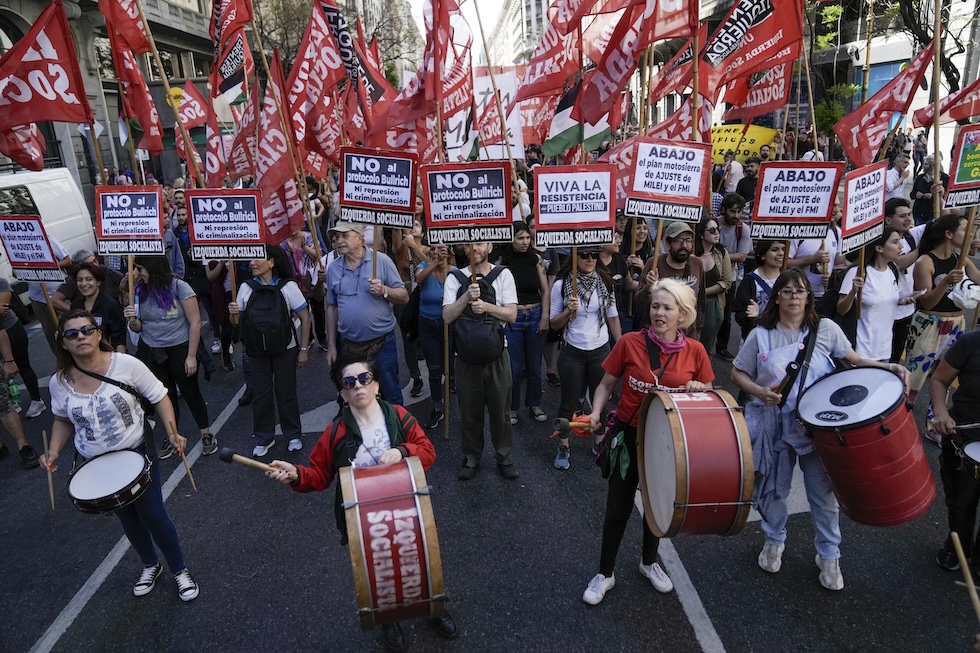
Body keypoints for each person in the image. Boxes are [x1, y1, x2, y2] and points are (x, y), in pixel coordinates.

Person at [731, 269, 909, 591]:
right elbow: (738, 372)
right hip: (774, 426)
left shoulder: (825, 329)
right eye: (787, 292)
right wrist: (758, 393)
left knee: (823, 498)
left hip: (818, 431)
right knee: (775, 492)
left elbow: (853, 360)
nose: (794, 297)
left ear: (808, 297)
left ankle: (828, 555)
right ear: (777, 298)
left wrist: (889, 366)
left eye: (800, 291)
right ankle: (774, 541)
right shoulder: (760, 334)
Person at [264, 357, 456, 651]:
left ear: (376, 385)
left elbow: (428, 451)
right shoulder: (335, 433)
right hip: (363, 521)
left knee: (420, 561)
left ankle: (434, 608)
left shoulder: (399, 417)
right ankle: (388, 618)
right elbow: (318, 475)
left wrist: (403, 450)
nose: (358, 386)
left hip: (407, 510)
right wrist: (295, 475)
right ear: (342, 394)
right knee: (376, 571)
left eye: (364, 378)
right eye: (349, 382)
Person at [41, 310, 200, 601]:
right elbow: (62, 419)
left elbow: (159, 396)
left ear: (99, 334)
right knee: (128, 519)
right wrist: (52, 451)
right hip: (97, 463)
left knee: (153, 514)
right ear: (63, 343)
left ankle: (180, 570)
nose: (81, 337)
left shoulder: (126, 365)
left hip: (137, 453)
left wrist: (172, 431)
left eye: (87, 329)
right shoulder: (59, 382)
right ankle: (151, 565)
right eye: (72, 334)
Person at [582, 280, 713, 604]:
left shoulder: (695, 351)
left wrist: (699, 390)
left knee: (658, 508)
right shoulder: (629, 342)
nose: (659, 312)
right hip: (628, 436)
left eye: (667, 307)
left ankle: (649, 562)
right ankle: (605, 573)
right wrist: (597, 411)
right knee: (617, 509)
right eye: (655, 306)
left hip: (669, 445)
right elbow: (606, 384)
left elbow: (711, 397)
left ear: (683, 314)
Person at [123, 256, 216, 457]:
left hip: (180, 348)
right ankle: (172, 435)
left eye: (140, 268)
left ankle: (206, 433)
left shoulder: (179, 287)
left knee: (191, 392)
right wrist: (131, 319)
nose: (137, 273)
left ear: (153, 267)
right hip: (153, 351)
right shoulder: (138, 290)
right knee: (164, 396)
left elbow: (195, 322)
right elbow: (137, 327)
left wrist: (191, 356)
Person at [443, 242, 519, 481]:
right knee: (469, 412)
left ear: (489, 245)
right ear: (464, 249)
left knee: (501, 412)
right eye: (469, 245)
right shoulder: (454, 278)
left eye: (479, 243)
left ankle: (504, 456)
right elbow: (447, 316)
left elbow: (512, 314)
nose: (474, 248)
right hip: (465, 357)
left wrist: (486, 306)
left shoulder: (504, 274)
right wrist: (466, 296)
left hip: (497, 355)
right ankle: (471, 456)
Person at [229, 245, 312, 457]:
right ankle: (264, 438)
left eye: (257, 259)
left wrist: (303, 349)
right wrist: (233, 314)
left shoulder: (288, 287)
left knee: (286, 394)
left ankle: (293, 435)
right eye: (251, 259)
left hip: (286, 349)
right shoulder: (245, 288)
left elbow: (305, 317)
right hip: (256, 352)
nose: (252, 263)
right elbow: (236, 322)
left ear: (272, 262)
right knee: (261, 396)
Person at [905, 214, 980, 443]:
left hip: (957, 324)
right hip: (929, 324)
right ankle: (901, 426)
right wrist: (946, 281)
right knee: (913, 381)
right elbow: (927, 303)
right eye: (965, 229)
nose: (968, 234)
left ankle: (933, 426)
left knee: (944, 378)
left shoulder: (961, 259)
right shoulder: (925, 262)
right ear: (949, 234)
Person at [549, 248, 621, 470]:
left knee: (601, 401)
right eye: (584, 254)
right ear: (574, 257)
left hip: (600, 350)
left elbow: (613, 317)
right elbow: (554, 324)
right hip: (572, 352)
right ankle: (563, 445)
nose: (590, 259)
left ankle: (599, 441)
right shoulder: (562, 285)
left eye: (594, 254)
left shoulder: (605, 282)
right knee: (568, 402)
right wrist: (567, 311)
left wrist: (622, 348)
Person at [325, 222, 408, 406]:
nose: (339, 241)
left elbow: (404, 296)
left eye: (344, 236)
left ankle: (397, 433)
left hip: (381, 344)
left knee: (391, 395)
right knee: (358, 397)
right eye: (336, 237)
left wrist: (384, 290)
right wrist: (331, 345)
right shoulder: (333, 268)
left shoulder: (382, 261)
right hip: (349, 347)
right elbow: (332, 307)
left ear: (360, 238)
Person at [930, 330, 980, 578]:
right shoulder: (971, 343)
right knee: (960, 502)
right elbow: (939, 380)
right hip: (964, 436)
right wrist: (940, 412)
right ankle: (958, 546)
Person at [497, 222, 550, 425]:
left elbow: (544, 290)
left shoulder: (535, 259)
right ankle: (512, 407)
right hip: (514, 318)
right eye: (520, 238)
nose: (525, 242)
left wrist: (545, 316)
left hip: (535, 314)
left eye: (527, 238)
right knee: (515, 368)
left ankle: (534, 404)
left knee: (535, 367)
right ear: (511, 239)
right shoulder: (502, 263)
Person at [836, 227, 907, 358]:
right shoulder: (858, 273)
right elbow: (841, 310)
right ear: (879, 248)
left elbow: (884, 300)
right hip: (860, 351)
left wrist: (903, 301)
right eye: (895, 242)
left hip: (884, 350)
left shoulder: (892, 271)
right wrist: (852, 292)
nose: (901, 246)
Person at [634, 221, 706, 340]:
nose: (684, 245)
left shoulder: (697, 264)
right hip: (658, 336)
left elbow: (701, 300)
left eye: (688, 241)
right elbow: (639, 301)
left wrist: (698, 329)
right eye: (678, 241)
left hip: (688, 336)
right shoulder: (654, 264)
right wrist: (648, 288)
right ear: (668, 243)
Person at [415, 244, 455, 429]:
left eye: (442, 249)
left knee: (450, 366)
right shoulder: (423, 267)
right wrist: (435, 262)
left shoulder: (454, 272)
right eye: (433, 249)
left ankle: (451, 387)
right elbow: (419, 279)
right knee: (434, 367)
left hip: (449, 326)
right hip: (428, 325)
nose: (437, 252)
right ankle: (437, 406)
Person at [885, 197, 927, 363]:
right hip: (886, 312)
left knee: (895, 359)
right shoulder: (881, 240)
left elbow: (941, 222)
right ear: (888, 220)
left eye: (909, 214)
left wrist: (942, 194)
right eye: (902, 216)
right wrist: (922, 249)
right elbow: (899, 264)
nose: (908, 219)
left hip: (906, 310)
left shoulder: (911, 235)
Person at [0, 277, 46, 418]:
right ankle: (12, 402)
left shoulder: (1, 282)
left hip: (11, 329)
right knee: (2, 369)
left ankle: (37, 400)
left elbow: (2, 309)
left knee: (22, 364)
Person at [788, 202, 845, 311]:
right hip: (798, 296)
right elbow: (784, 263)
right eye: (832, 205)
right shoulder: (798, 230)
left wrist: (832, 279)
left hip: (825, 297)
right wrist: (812, 259)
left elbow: (840, 264)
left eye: (837, 205)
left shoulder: (837, 232)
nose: (837, 210)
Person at [716, 193, 753, 358]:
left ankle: (721, 346)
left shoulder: (743, 229)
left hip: (730, 277)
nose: (736, 216)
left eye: (739, 212)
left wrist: (717, 256)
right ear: (724, 209)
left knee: (726, 314)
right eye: (732, 211)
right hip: (709, 274)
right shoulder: (713, 224)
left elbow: (742, 256)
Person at [696, 216, 734, 355]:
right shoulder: (690, 254)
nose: (717, 233)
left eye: (718, 229)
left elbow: (727, 282)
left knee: (706, 346)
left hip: (713, 306)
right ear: (701, 234)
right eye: (712, 230)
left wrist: (702, 292)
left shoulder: (722, 253)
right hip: (692, 303)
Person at [733, 241, 785, 342]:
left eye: (783, 249)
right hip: (756, 341)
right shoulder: (749, 281)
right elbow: (739, 314)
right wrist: (750, 317)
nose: (781, 253)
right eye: (775, 250)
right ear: (762, 255)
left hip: (781, 340)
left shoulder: (789, 280)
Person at [70, 262, 127, 352]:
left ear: (98, 282)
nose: (83, 284)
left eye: (89, 279)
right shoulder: (75, 306)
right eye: (79, 280)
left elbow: (119, 339)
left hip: (106, 357)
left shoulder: (111, 305)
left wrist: (119, 363)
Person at [29, 235, 71, 354]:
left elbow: (67, 260)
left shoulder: (50, 240)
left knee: (69, 326)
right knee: (51, 332)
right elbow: (16, 273)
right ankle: (62, 362)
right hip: (38, 298)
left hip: (58, 294)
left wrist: (47, 267)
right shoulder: (18, 245)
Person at [911, 154, 949, 225]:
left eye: (926, 164)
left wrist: (932, 196)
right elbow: (912, 194)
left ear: (932, 166)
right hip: (919, 212)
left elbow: (947, 196)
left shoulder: (944, 178)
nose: (923, 166)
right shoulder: (920, 177)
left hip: (933, 212)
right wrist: (916, 194)